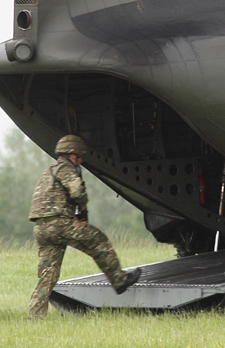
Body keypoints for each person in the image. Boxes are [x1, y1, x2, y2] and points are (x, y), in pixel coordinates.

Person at [27, 134, 142, 318]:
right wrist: (82, 206)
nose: (80, 161)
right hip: (60, 224)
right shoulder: (66, 169)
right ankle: (119, 281)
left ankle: (35, 316)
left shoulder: (48, 172)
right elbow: (77, 191)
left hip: (41, 228)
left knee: (47, 276)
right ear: (72, 154)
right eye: (79, 157)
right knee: (98, 240)